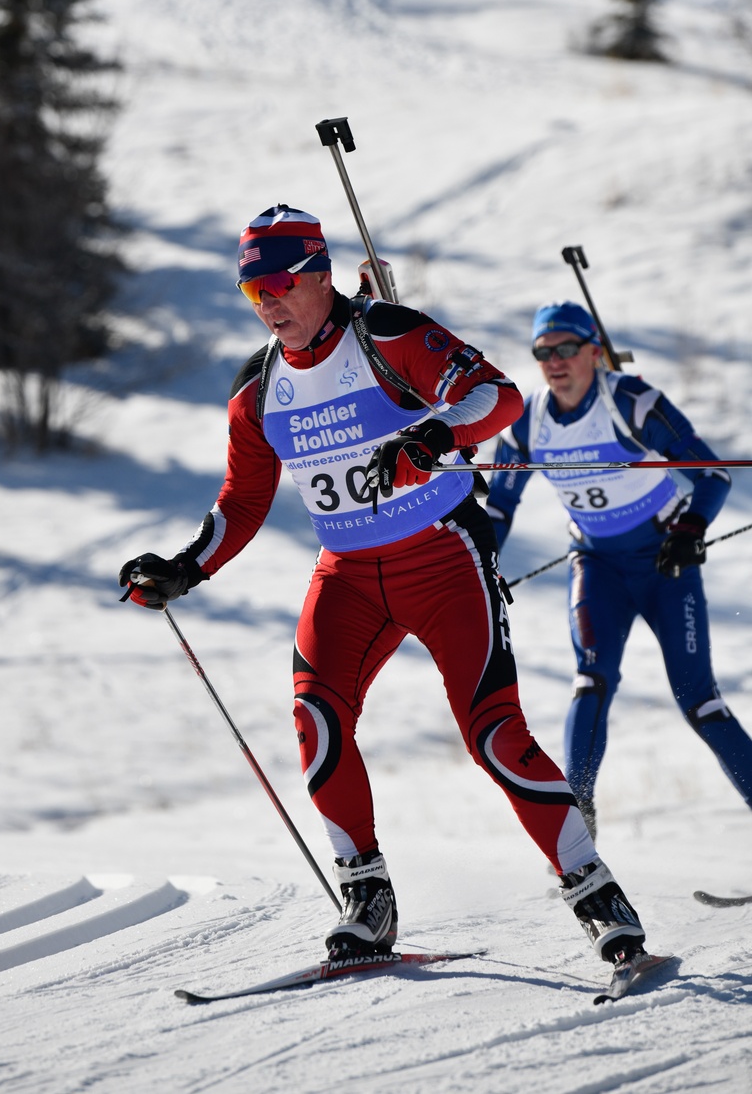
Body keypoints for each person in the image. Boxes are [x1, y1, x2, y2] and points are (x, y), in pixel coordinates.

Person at [120, 207, 648, 968]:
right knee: (316, 720)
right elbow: (241, 500)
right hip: (349, 575)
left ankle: (594, 892)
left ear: (319, 272)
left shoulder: (387, 334)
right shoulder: (258, 390)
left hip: (442, 556)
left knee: (494, 734)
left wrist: (432, 434)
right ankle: (367, 897)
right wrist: (185, 566)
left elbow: (496, 397)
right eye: (250, 289)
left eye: (279, 282)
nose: (267, 301)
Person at [487, 299, 752, 838]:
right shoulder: (529, 422)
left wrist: (688, 530)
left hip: (663, 562)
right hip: (597, 566)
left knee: (698, 700)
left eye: (566, 349)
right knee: (591, 681)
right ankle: (577, 826)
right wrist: (481, 565)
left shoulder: (630, 402)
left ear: (593, 351)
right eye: (543, 352)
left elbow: (714, 476)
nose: (555, 361)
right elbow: (498, 507)